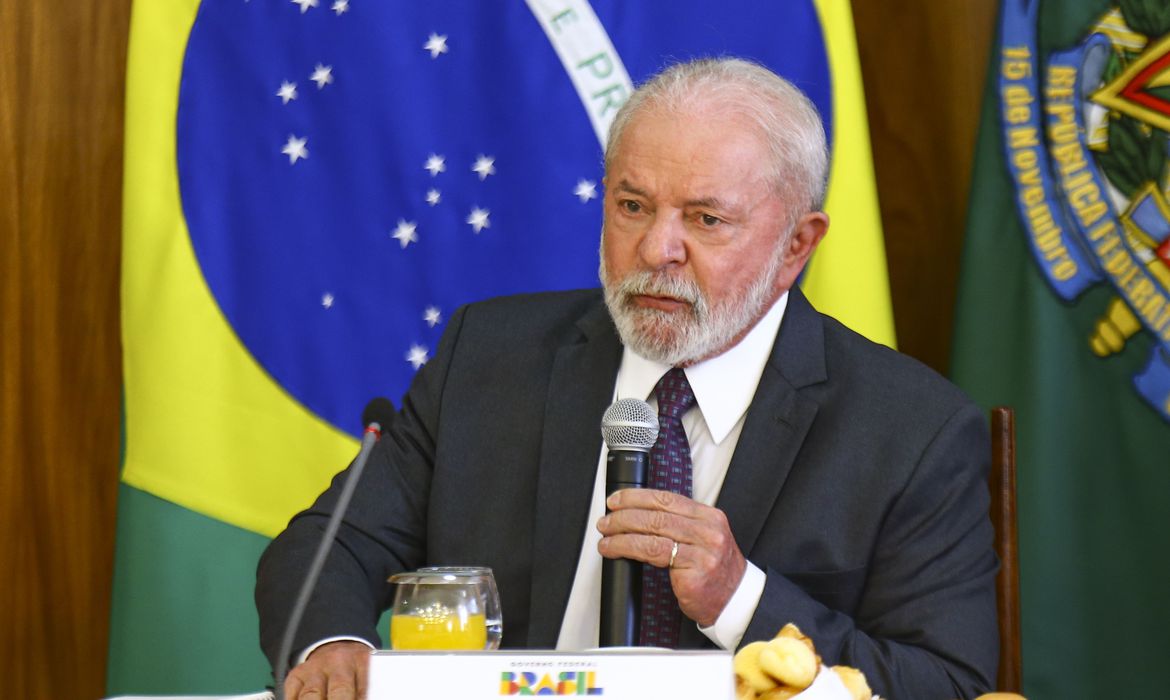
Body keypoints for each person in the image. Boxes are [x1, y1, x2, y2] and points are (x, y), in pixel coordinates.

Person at [256, 57, 998, 699]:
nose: (657, 248)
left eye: (706, 220)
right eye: (632, 206)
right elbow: (330, 547)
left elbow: (947, 687)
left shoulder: (910, 430)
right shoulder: (489, 357)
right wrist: (334, 648)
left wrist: (741, 599)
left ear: (798, 244)